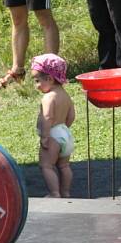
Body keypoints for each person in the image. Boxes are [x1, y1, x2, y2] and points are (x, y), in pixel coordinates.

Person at [32, 53, 75, 197]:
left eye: (37, 80)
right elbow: (71, 116)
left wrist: (45, 137)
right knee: (64, 166)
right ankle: (66, 192)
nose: (36, 85)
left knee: (46, 166)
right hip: (65, 134)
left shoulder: (49, 97)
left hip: (53, 135)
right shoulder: (65, 95)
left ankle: (55, 193)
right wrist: (64, 129)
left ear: (49, 78)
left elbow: (47, 117)